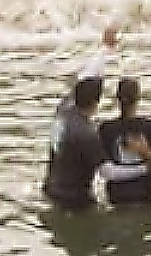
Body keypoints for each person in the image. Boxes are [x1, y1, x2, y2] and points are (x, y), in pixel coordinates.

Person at [98, 76, 151, 206]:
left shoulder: (105, 129)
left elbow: (103, 167)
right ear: (138, 99)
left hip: (117, 195)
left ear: (117, 100)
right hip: (145, 194)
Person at [44, 66, 107, 210]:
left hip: (51, 187)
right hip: (75, 198)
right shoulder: (87, 134)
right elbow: (108, 172)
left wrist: (105, 50)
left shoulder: (62, 111)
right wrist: (147, 160)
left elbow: (83, 77)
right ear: (96, 103)